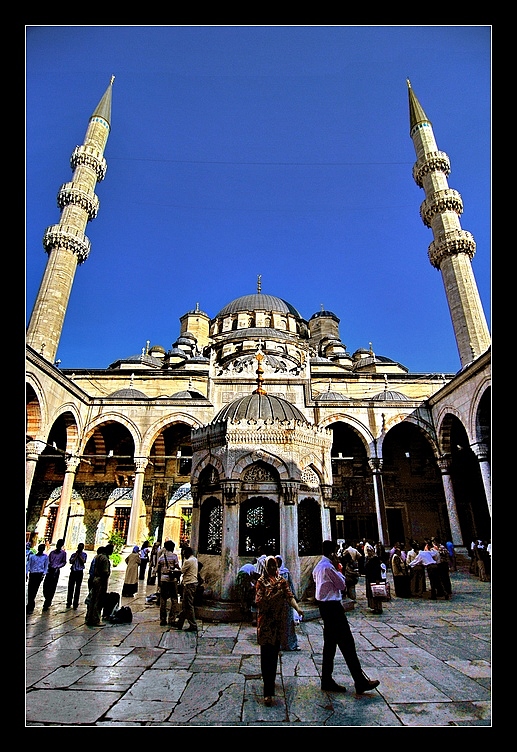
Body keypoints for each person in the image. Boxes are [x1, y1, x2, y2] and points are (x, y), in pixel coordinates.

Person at [313, 541, 380, 695]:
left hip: (325, 607)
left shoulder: (318, 566)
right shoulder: (328, 567)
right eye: (335, 552)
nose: (337, 555)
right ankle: (360, 681)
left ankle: (326, 679)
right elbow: (342, 585)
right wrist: (338, 568)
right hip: (333, 609)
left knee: (330, 645)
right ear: (331, 553)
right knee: (347, 643)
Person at [256, 555, 303, 706]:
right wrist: (275, 597)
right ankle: (267, 692)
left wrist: (298, 608)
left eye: (273, 566)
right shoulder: (261, 582)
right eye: (269, 566)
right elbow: (259, 602)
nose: (271, 568)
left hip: (277, 623)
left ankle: (270, 682)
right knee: (266, 655)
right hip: (265, 624)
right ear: (265, 567)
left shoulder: (282, 581)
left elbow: (289, 596)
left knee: (274, 655)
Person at [275, 555, 300, 651]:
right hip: (277, 602)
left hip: (287, 601)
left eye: (279, 561)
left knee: (289, 624)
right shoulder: (273, 573)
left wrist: (294, 597)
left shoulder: (285, 572)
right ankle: (279, 644)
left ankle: (291, 644)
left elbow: (290, 585)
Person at [85, 543, 114, 626]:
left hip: (94, 579)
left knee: (92, 600)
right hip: (100, 581)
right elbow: (105, 572)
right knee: (98, 600)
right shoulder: (105, 559)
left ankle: (89, 618)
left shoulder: (97, 556)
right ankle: (95, 620)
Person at [172, 546, 199, 632]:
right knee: (185, 605)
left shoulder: (188, 561)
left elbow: (181, 571)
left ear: (187, 553)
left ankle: (193, 625)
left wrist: (172, 571)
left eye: (184, 554)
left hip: (189, 583)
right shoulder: (194, 559)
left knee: (188, 605)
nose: (184, 556)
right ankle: (180, 623)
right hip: (192, 582)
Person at [157, 540, 181, 626]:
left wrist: (159, 582)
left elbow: (158, 570)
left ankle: (162, 619)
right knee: (174, 599)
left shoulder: (161, 557)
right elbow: (178, 567)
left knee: (163, 600)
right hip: (172, 580)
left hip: (163, 579)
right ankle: (172, 619)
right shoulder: (174, 556)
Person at [42, 539, 67, 611]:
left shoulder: (63, 553)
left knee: (52, 586)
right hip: (50, 570)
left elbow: (64, 562)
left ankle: (48, 601)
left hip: (56, 570)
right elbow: (48, 560)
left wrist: (58, 566)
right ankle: (46, 597)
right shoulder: (52, 553)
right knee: (46, 585)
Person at [26, 543, 49, 613]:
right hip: (32, 574)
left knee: (34, 590)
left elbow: (46, 566)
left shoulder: (45, 557)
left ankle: (30, 605)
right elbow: (28, 565)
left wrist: (43, 574)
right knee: (30, 590)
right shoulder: (32, 557)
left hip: (39, 574)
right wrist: (26, 573)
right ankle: (30, 604)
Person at [364, 545, 385, 614]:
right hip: (369, 578)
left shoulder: (375, 559)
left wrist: (377, 579)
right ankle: (374, 607)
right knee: (372, 594)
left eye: (370, 551)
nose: (369, 552)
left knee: (377, 594)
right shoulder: (368, 558)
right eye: (368, 551)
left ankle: (378, 607)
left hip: (375, 578)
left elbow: (377, 569)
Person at [66, 542, 87, 609]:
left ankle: (75, 603)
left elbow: (83, 562)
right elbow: (71, 562)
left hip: (79, 572)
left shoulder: (84, 554)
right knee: (70, 587)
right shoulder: (73, 554)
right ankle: (69, 602)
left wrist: (79, 556)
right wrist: (76, 556)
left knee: (78, 588)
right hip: (73, 571)